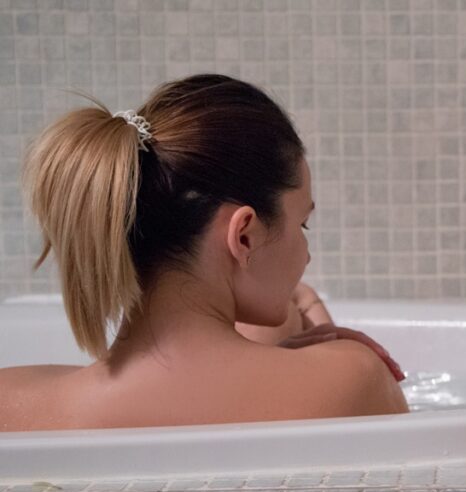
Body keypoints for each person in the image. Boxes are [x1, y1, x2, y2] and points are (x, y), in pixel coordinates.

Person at [0, 74, 408, 432]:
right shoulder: (353, 380)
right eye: (302, 225)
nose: (306, 256)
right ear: (243, 236)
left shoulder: (13, 406)